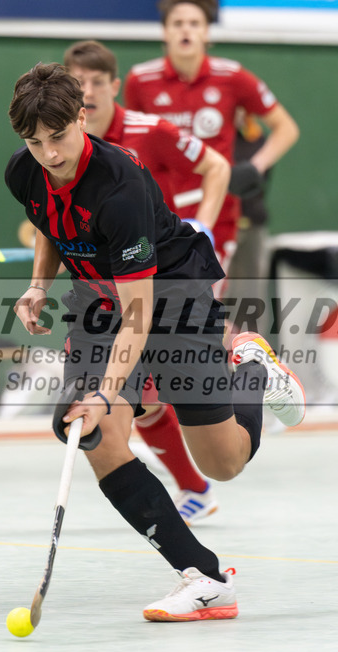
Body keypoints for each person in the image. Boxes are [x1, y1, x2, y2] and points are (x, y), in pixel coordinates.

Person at [6, 63, 305, 621]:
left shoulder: (119, 188)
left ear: (82, 117)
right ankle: (205, 577)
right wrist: (38, 286)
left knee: (223, 463)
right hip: (97, 302)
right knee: (92, 432)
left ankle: (253, 369)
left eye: (58, 137)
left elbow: (139, 317)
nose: (49, 154)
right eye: (34, 142)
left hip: (171, 298)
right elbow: (49, 224)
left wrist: (106, 392)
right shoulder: (24, 171)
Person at [63, 39, 231, 524]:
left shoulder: (149, 130)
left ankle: (242, 363)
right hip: (108, 288)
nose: (88, 92)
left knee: (156, 389)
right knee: (143, 398)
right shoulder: (60, 144)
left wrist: (204, 223)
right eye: (79, 83)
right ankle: (196, 488)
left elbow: (217, 166)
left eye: (98, 82)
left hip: (167, 277)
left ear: (116, 86)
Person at [123, 0, 299, 273]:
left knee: (203, 292)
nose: (186, 30)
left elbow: (286, 128)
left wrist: (255, 167)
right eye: (177, 23)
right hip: (160, 212)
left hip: (217, 210)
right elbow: (130, 141)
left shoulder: (232, 77)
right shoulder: (140, 80)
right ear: (165, 32)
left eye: (195, 24)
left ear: (206, 33)